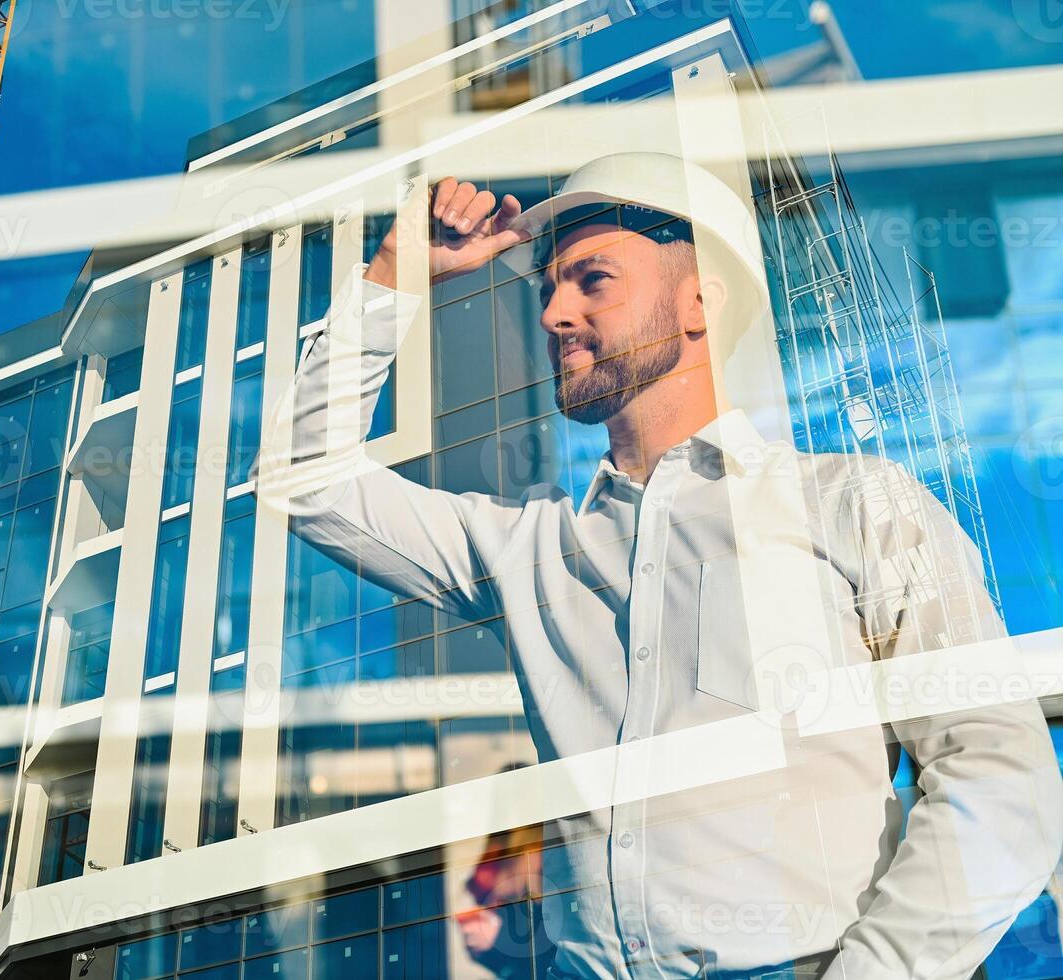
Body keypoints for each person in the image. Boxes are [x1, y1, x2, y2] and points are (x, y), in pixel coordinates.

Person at [257, 152, 1063, 979]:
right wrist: (397, 275)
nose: (553, 313)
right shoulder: (530, 547)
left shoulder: (854, 504)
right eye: (546, 289)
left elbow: (1001, 778)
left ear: (696, 302)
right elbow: (305, 481)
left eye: (591, 281)